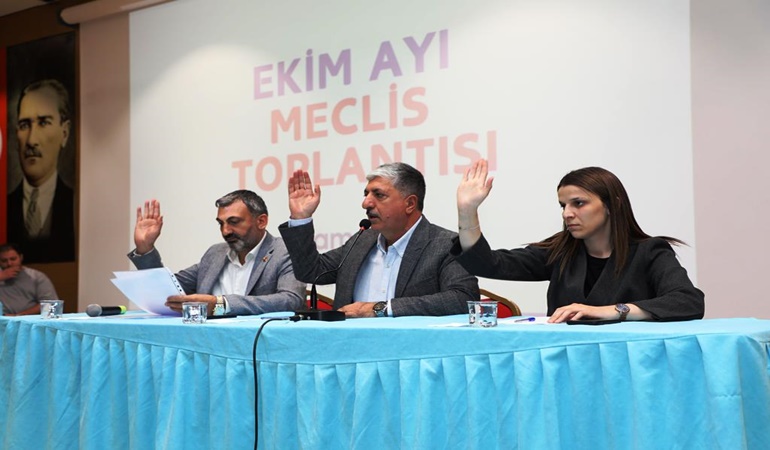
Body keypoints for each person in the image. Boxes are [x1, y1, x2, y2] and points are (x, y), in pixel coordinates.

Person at [452, 159, 705, 323]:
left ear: (612, 205)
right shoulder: (559, 251)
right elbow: (488, 264)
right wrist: (467, 211)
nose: (567, 213)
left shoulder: (650, 252)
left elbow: (688, 301)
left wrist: (615, 310)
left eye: (579, 203)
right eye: (563, 205)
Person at [279, 162, 479, 318]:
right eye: (366, 194)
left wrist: (381, 308)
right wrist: (300, 218)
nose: (366, 203)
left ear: (410, 204)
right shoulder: (362, 241)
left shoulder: (446, 245)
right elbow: (311, 271)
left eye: (379, 195)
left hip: (410, 352)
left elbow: (463, 298)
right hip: (348, 348)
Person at [128, 190, 305, 316]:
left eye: (234, 222)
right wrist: (145, 248)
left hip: (257, 345)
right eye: (221, 223)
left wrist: (221, 304)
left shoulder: (284, 251)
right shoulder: (215, 254)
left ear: (261, 221)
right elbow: (167, 291)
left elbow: (291, 300)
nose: (225, 231)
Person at [7, 79, 75, 263]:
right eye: (24, 125)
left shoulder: (76, 205)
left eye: (43, 122)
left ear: (64, 133)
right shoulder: (4, 207)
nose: (31, 140)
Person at [0, 243, 59, 316]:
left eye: (13, 259)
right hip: (3, 319)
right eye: (4, 261)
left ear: (21, 258)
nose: (9, 263)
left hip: (30, 319)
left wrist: (19, 315)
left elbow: (51, 304)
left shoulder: (36, 277)